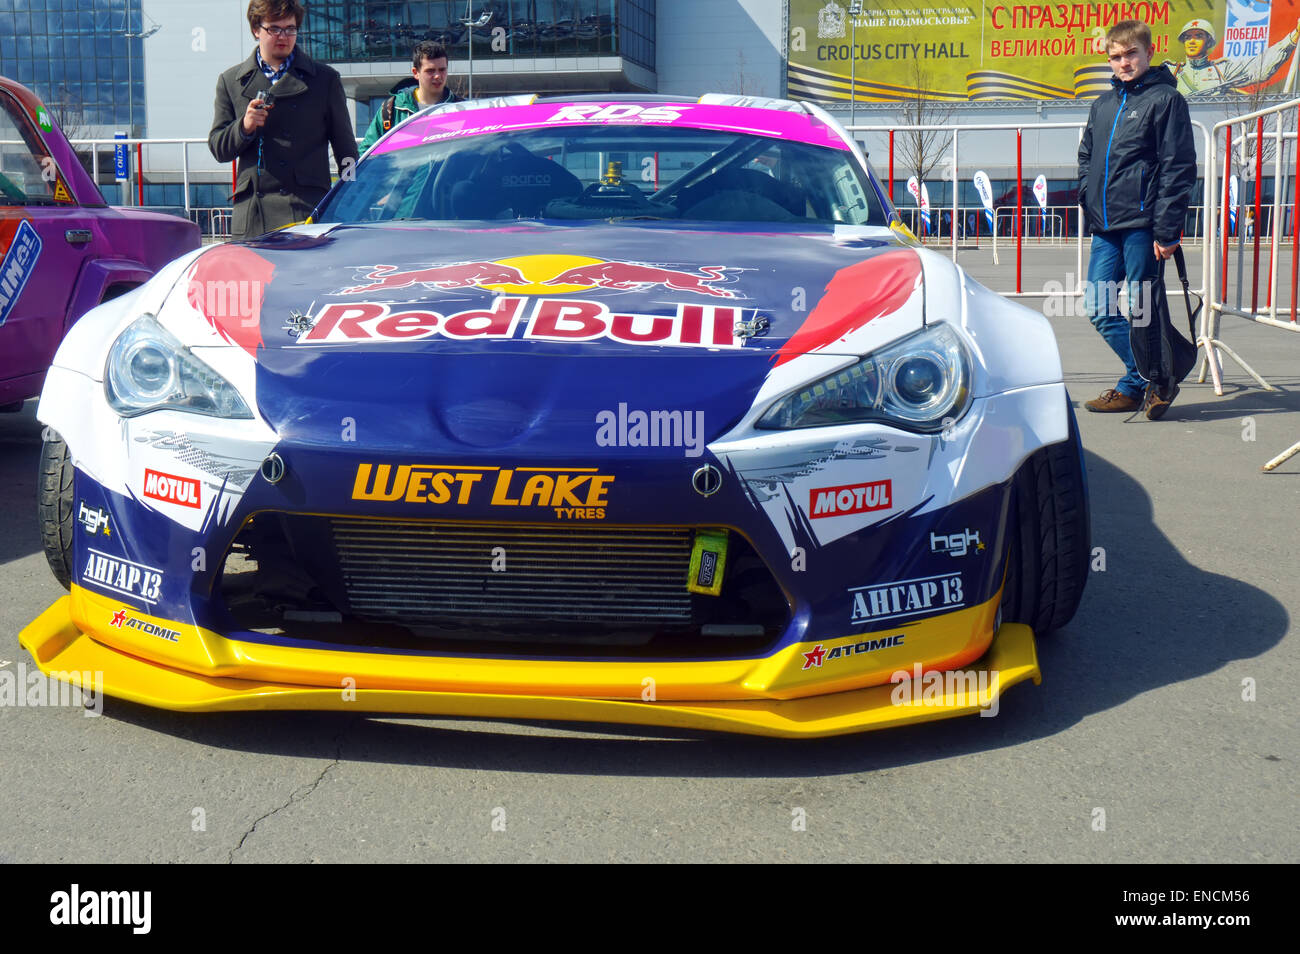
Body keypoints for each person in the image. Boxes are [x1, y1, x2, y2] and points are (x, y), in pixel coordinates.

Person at [1077, 18, 1197, 419]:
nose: (1124, 62)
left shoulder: (1166, 100)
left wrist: (1166, 229)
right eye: (1116, 56)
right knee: (1098, 305)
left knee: (1144, 308)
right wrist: (1087, 198)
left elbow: (1177, 167)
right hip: (1106, 226)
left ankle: (1144, 381)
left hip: (1143, 226)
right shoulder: (1103, 105)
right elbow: (1086, 158)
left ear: (1148, 51)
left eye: (1131, 54)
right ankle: (1150, 376)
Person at [209, 0, 358, 241]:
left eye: (290, 29)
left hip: (306, 212)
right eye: (275, 29)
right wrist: (244, 127)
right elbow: (218, 148)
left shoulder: (324, 80)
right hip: (253, 218)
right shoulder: (231, 81)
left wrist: (352, 194)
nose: (284, 36)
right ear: (256, 29)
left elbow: (346, 149)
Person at [359, 41, 461, 154]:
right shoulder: (392, 109)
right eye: (430, 71)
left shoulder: (462, 109)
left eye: (442, 70)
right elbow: (367, 153)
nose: (437, 76)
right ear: (415, 72)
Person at [1171, 18, 1300, 98]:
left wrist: (1294, 35)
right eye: (1187, 37)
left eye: (1198, 36)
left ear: (1208, 42)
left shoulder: (1221, 70)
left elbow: (1258, 67)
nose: (1192, 41)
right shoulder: (1171, 71)